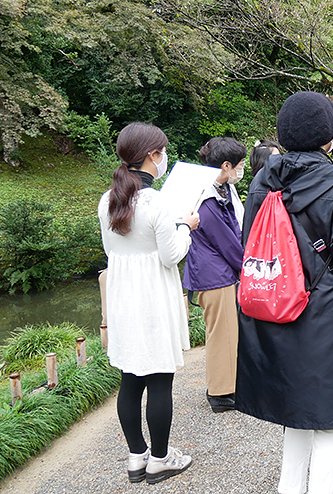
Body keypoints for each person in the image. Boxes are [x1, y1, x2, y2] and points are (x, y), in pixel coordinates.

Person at [236, 91, 333, 494]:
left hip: (272, 311)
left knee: (296, 412)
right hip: (325, 319)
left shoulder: (261, 182)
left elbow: (250, 248)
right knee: (331, 422)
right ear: (330, 137)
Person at [97, 122, 199, 484]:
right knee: (159, 382)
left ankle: (136, 457)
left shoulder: (107, 200)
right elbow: (172, 256)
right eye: (163, 151)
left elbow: (113, 252)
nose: (165, 157)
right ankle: (160, 459)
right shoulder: (157, 201)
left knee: (130, 380)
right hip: (154, 298)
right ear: (152, 156)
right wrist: (187, 225)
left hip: (124, 298)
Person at [182, 137, 246, 413]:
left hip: (216, 272)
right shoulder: (207, 199)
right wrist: (248, 267)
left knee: (228, 333)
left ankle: (227, 386)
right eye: (240, 165)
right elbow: (227, 242)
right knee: (223, 335)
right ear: (226, 165)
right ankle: (220, 393)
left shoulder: (218, 190)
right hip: (214, 275)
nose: (242, 170)